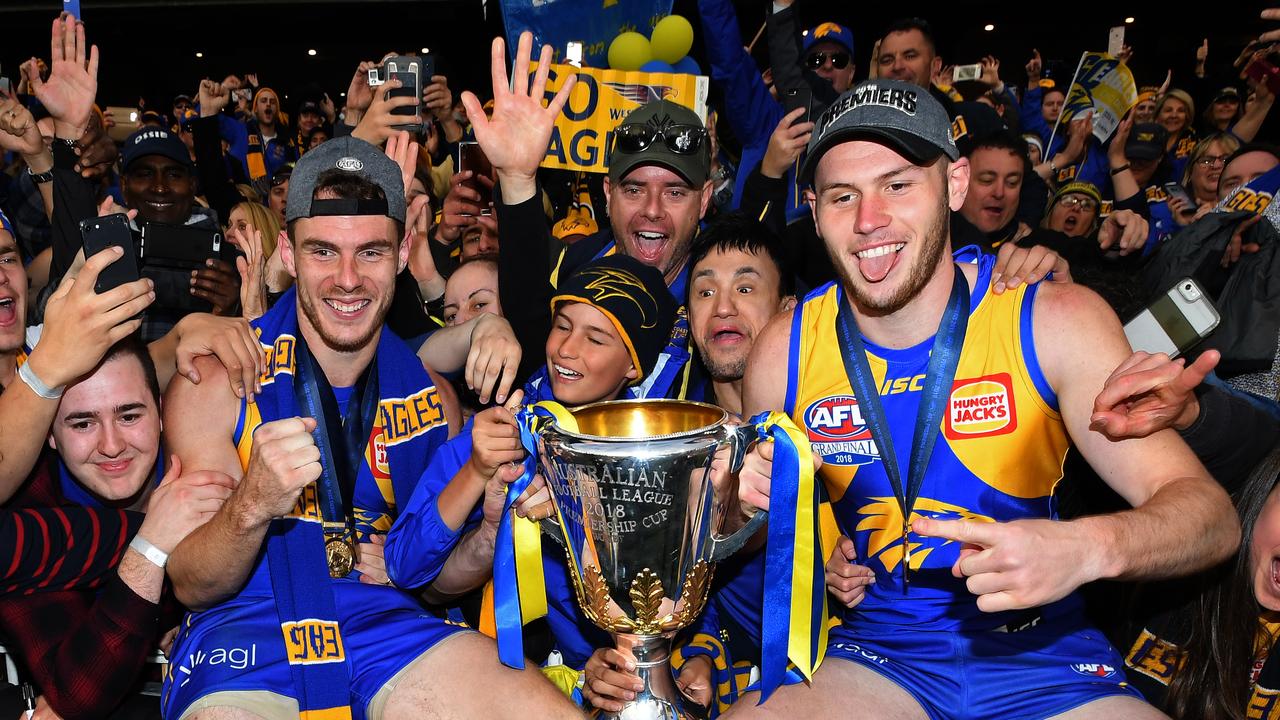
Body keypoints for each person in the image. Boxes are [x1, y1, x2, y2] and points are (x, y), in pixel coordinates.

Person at [726, 78, 1238, 718]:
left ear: (956, 184)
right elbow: (755, 527)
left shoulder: (1054, 320)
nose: (867, 220)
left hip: (1048, 659)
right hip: (881, 657)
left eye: (898, 184)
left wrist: (1085, 548)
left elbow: (1210, 519)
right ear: (813, 206)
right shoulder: (783, 349)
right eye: (841, 196)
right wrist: (783, 531)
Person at [159, 135, 576, 719]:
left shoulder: (434, 397)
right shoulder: (220, 379)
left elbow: (430, 583)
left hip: (388, 629)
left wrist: (487, 533)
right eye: (323, 251)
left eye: (372, 252)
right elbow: (191, 583)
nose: (348, 279)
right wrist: (250, 505)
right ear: (288, 251)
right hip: (250, 631)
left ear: (404, 251)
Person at [0, 337, 235, 719]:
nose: (111, 445)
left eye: (129, 416)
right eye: (83, 422)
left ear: (161, 412)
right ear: (48, 435)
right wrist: (152, 544)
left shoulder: (208, 452)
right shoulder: (31, 503)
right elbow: (78, 692)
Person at [472, 33, 709, 401]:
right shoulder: (577, 265)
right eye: (633, 189)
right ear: (608, 194)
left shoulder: (722, 285)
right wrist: (517, 181)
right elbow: (532, 326)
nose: (652, 209)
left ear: (705, 200)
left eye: (675, 192)